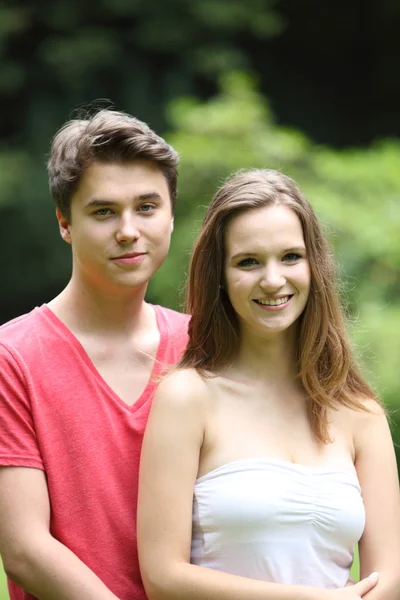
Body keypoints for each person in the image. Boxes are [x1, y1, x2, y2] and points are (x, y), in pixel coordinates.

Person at [137, 169, 400, 600]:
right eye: (248, 262)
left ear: (315, 265)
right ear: (219, 276)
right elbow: (164, 578)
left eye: (291, 257)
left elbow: (388, 578)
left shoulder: (360, 412)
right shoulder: (187, 398)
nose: (273, 280)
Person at [0, 108, 189, 600]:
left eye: (147, 207)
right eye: (103, 211)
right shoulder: (12, 357)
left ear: (172, 213)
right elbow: (23, 548)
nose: (128, 230)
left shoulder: (206, 346)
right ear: (65, 222)